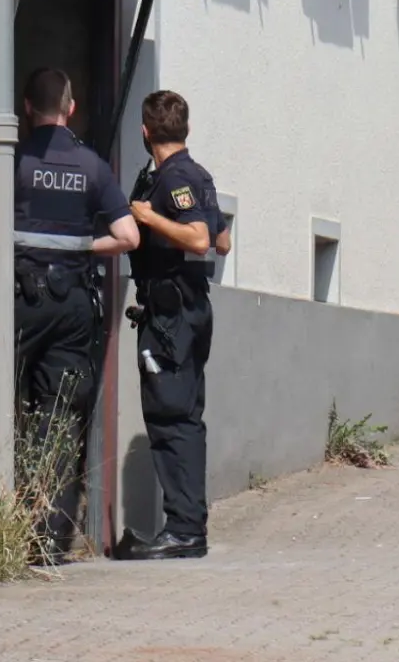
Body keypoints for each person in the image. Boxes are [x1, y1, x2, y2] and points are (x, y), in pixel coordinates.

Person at [13, 67, 141, 564]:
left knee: (5, 403)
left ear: (26, 108)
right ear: (71, 109)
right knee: (59, 417)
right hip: (71, 306)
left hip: (20, 299)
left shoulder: (16, 160)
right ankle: (50, 541)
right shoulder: (92, 167)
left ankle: (8, 520)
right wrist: (86, 246)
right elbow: (129, 237)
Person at [117, 90, 230, 561]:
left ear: (145, 132)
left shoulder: (173, 179)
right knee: (184, 415)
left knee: (170, 416)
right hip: (188, 310)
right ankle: (187, 526)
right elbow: (224, 238)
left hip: (172, 316)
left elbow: (202, 240)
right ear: (185, 128)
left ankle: (184, 529)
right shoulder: (197, 175)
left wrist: (149, 217)